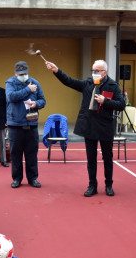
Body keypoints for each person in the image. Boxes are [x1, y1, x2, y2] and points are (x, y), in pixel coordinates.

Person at [46, 59, 125, 197]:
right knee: (91, 158)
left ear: (104, 72)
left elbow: (121, 104)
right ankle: (92, 185)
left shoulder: (113, 85)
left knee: (107, 157)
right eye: (93, 70)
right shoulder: (87, 83)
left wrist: (105, 101)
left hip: (105, 125)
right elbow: (69, 81)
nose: (94, 73)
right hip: (89, 125)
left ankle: (109, 185)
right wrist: (57, 71)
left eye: (97, 71)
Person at [5, 61, 46, 189]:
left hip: (31, 123)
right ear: (15, 73)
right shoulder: (10, 83)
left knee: (32, 153)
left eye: (25, 73)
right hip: (15, 125)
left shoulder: (35, 82)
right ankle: (17, 179)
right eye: (20, 73)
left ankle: (33, 178)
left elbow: (43, 100)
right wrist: (28, 89)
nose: (23, 75)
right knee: (16, 153)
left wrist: (36, 104)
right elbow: (11, 97)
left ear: (28, 71)